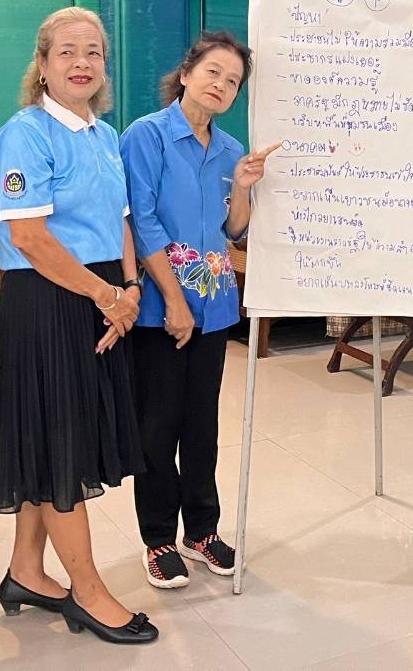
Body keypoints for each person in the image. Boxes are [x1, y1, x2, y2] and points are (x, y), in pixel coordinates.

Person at [0, 7, 158, 645]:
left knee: (55, 441)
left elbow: (119, 220)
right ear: (42, 64)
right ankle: (86, 591)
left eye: (93, 52)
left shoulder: (103, 134)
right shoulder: (26, 133)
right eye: (67, 52)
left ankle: (26, 571)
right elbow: (29, 236)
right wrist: (107, 296)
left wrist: (131, 288)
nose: (82, 62)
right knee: (61, 442)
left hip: (102, 291)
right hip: (50, 301)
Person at [120, 31, 278, 589]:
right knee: (157, 428)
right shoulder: (147, 136)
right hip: (161, 312)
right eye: (213, 72)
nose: (221, 85)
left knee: (202, 426)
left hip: (214, 310)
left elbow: (233, 232)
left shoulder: (233, 151)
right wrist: (174, 301)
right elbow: (142, 221)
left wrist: (242, 187)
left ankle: (202, 531)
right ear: (186, 73)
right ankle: (159, 537)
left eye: (232, 81)